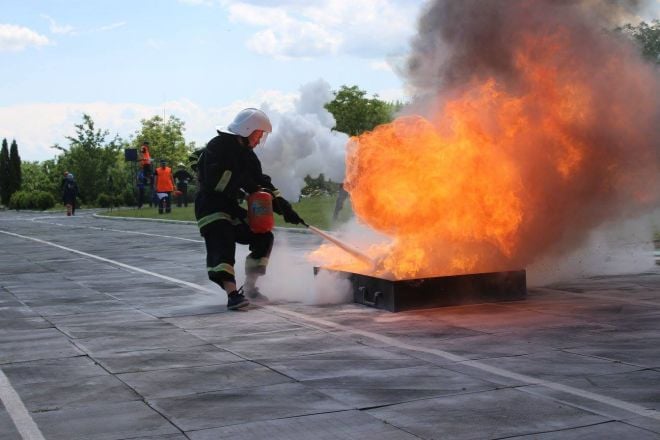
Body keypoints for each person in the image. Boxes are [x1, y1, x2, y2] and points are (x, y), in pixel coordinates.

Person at [195, 108, 305, 310]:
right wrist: (245, 188)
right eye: (258, 133)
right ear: (247, 129)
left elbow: (261, 182)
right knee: (223, 238)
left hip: (230, 207)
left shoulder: (249, 156)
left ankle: (251, 287)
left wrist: (283, 206)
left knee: (263, 236)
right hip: (210, 206)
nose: (260, 138)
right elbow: (216, 182)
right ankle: (232, 295)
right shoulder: (217, 147)